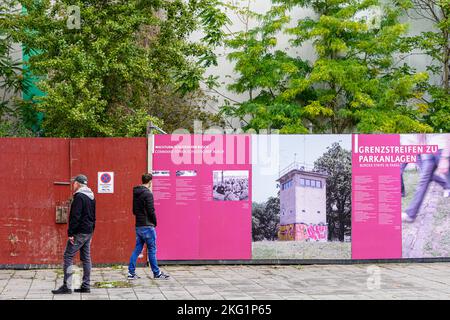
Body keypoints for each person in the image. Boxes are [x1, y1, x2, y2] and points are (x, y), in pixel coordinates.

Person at [52, 174, 96, 294]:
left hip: (79, 232)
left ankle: (67, 286)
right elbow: (93, 215)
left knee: (68, 256)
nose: (73, 185)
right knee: (86, 258)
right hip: (88, 232)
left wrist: (71, 233)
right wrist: (92, 230)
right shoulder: (91, 196)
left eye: (74, 183)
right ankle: (86, 286)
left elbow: (75, 216)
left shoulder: (79, 197)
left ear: (77, 183)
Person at [127, 173, 169, 280]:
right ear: (150, 182)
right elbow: (151, 211)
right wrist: (154, 222)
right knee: (152, 249)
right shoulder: (148, 194)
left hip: (139, 225)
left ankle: (131, 273)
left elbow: (134, 211)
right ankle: (157, 273)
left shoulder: (136, 193)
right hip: (148, 226)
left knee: (137, 249)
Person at [402, 134, 450, 223]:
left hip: (443, 149)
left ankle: (447, 186)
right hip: (429, 151)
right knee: (423, 181)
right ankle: (410, 214)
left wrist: (445, 157)